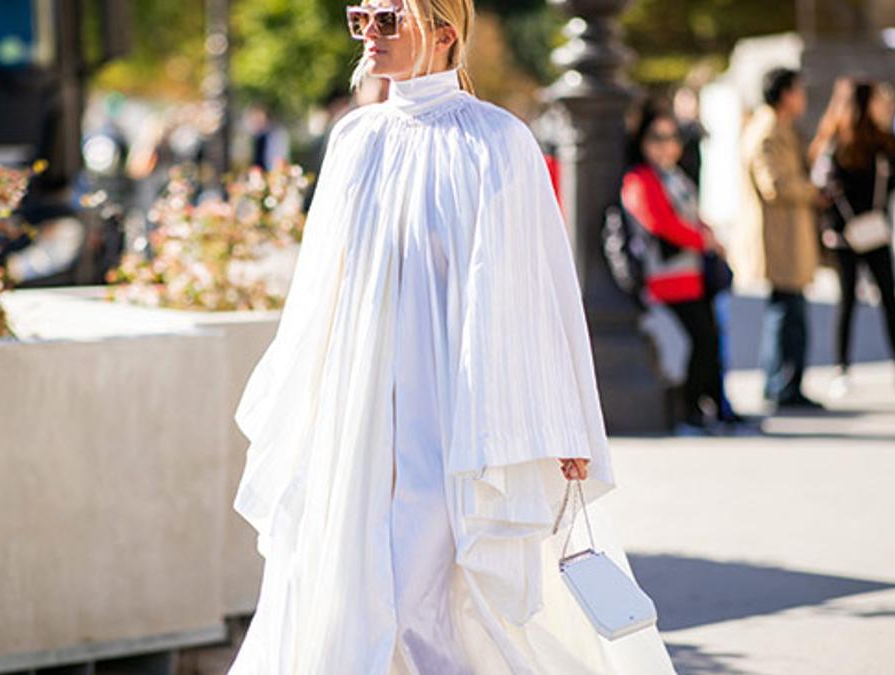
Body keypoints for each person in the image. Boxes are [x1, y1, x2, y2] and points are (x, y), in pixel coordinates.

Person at [225, 0, 677, 672]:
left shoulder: (497, 142)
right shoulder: (353, 144)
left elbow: (535, 299)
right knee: (351, 596)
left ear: (443, 33)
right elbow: (320, 298)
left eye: (387, 19)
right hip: (358, 425)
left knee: (421, 597)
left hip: (453, 427)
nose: (369, 35)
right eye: (361, 19)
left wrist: (565, 424)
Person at [622, 106, 739, 430]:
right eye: (657, 137)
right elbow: (660, 222)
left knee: (710, 342)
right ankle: (689, 411)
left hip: (691, 276)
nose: (666, 145)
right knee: (700, 342)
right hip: (666, 278)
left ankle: (708, 407)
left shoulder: (676, 175)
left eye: (672, 137)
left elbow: (690, 216)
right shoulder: (640, 179)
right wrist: (704, 241)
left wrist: (707, 234)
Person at [811, 79, 895, 393]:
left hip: (866, 230)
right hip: (852, 232)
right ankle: (844, 368)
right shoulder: (840, 142)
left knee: (884, 296)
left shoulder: (879, 140)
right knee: (850, 299)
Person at [742, 67, 825, 411]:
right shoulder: (768, 131)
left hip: (788, 233)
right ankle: (782, 385)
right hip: (780, 236)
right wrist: (813, 192)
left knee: (788, 312)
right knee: (786, 315)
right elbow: (774, 184)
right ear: (786, 94)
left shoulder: (777, 127)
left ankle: (783, 383)